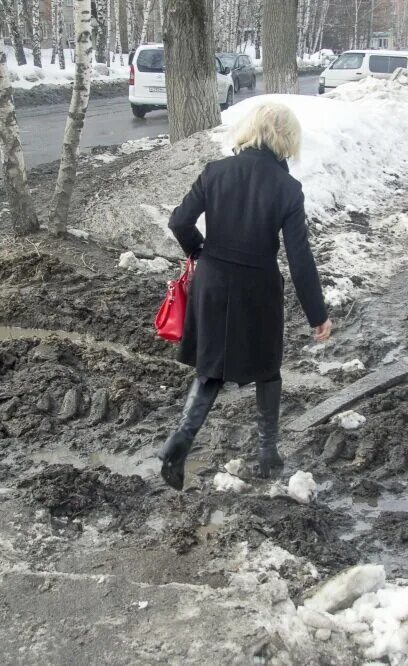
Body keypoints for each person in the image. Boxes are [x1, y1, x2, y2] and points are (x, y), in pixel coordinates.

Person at [158, 102, 332, 491]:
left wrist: (201, 251)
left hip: (214, 282)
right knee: (267, 368)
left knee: (211, 368)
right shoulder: (288, 189)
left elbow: (179, 221)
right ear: (287, 139)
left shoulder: (216, 172)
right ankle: (267, 453)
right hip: (258, 287)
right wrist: (317, 314)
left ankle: (179, 443)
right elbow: (299, 259)